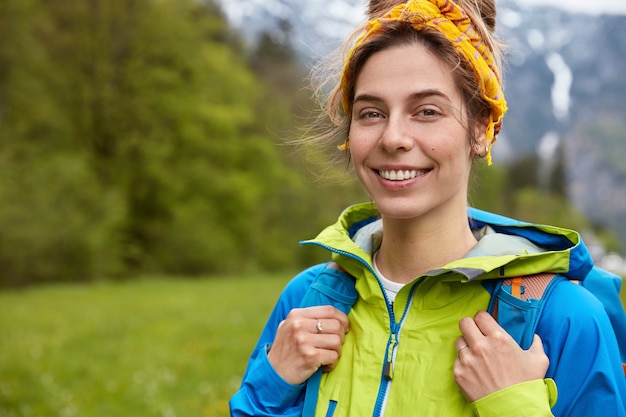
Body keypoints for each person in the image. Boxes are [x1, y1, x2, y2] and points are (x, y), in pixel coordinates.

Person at [229, 0, 626, 415]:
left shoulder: (564, 318)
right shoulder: (308, 299)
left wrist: (513, 404)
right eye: (371, 113)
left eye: (427, 111)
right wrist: (271, 383)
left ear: (481, 130)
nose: (392, 137)